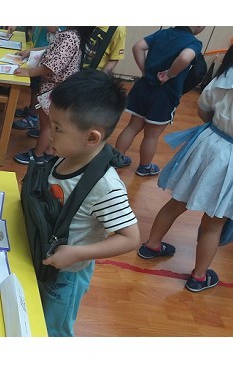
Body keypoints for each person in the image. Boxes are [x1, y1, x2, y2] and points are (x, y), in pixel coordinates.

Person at [38, 69, 140, 336]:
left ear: (92, 138)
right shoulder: (67, 154)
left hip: (68, 274)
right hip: (46, 258)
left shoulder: (105, 187)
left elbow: (130, 238)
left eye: (57, 129)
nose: (49, 134)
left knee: (53, 331)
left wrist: (77, 253)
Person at [137, 44, 233, 292]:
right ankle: (198, 277)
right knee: (214, 222)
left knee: (177, 201)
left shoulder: (226, 75)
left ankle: (152, 245)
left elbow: (203, 109)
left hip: (208, 142)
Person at [114, 26, 205, 176]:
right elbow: (184, 58)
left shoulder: (163, 33)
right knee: (151, 136)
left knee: (132, 127)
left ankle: (116, 159)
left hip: (143, 88)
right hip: (164, 95)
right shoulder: (193, 42)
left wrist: (145, 71)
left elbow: (138, 47)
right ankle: (144, 167)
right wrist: (169, 74)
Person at [13, 26, 94, 165]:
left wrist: (29, 72)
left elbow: (52, 66)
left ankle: (37, 155)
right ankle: (49, 151)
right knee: (50, 125)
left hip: (54, 90)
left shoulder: (68, 37)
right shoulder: (72, 35)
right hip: (57, 89)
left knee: (47, 126)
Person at [13, 27, 64, 134]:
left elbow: (54, 49)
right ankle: (32, 110)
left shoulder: (65, 35)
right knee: (35, 87)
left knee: (39, 91)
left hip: (46, 65)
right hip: (40, 55)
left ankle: (33, 116)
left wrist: (29, 70)